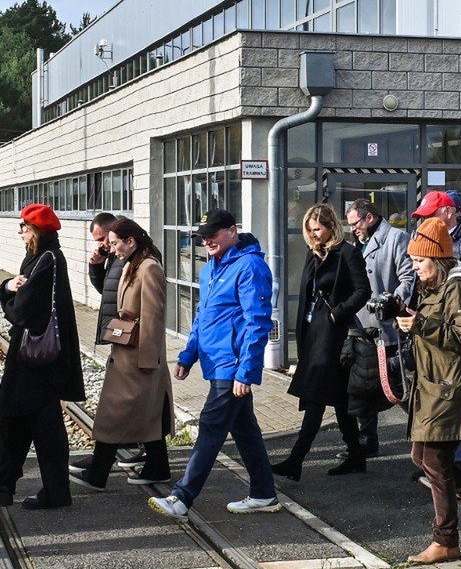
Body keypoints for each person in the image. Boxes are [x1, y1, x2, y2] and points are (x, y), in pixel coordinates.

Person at [150, 209, 279, 519]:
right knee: (245, 430)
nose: (207, 240)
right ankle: (263, 494)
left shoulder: (250, 266)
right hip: (216, 362)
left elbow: (257, 323)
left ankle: (182, 497)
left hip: (231, 366)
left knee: (210, 426)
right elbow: (203, 317)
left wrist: (246, 371)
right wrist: (188, 355)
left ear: (232, 231)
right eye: (203, 235)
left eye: (213, 233)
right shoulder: (210, 269)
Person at [397, 215, 461, 562]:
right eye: (412, 261)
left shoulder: (458, 288)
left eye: (419, 261)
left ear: (439, 260)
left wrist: (420, 324)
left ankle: (445, 542)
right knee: (422, 457)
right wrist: (412, 320)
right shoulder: (439, 286)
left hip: (452, 388)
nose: (414, 268)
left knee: (435, 461)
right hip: (436, 385)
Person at [0, 204, 86, 510]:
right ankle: (3, 485)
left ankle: (52, 491)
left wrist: (8, 297)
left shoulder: (45, 260)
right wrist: (8, 286)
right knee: (15, 418)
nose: (20, 233)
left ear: (34, 231)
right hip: (34, 358)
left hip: (37, 360)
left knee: (38, 425)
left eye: (23, 228)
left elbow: (22, 311)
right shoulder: (42, 257)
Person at [75, 217, 175, 488]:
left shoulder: (148, 268)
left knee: (113, 415)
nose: (113, 249)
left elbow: (153, 317)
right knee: (148, 414)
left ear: (131, 241)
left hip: (136, 358)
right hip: (126, 354)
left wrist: (148, 362)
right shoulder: (133, 264)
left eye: (116, 243)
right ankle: (157, 466)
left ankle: (98, 473)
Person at [276, 205, 370, 479]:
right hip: (311, 333)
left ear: (331, 227)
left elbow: (363, 290)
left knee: (315, 397)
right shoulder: (313, 254)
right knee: (340, 400)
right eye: (309, 229)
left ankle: (295, 461)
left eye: (317, 229)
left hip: (332, 335)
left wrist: (337, 312)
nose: (313, 234)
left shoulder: (348, 253)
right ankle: (355, 455)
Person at [346, 200, 414, 458]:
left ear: (370, 218)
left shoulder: (396, 238)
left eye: (355, 223)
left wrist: (391, 301)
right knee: (363, 387)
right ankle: (367, 442)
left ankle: (425, 446)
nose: (353, 229)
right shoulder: (358, 242)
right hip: (362, 328)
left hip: (387, 328)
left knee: (399, 389)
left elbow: (409, 278)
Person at [412, 189, 461, 258]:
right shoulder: (423, 240)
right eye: (424, 217)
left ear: (448, 211)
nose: (426, 221)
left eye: (431, 215)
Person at [86, 211, 119, 291]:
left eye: (102, 239)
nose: (100, 245)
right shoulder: (112, 255)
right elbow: (105, 290)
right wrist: (97, 266)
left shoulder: (127, 254)